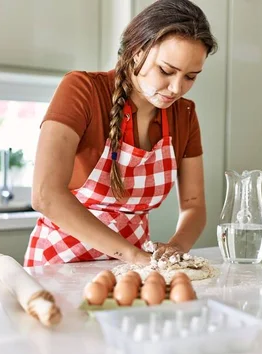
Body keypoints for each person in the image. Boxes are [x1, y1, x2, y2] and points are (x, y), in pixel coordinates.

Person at [24, 0, 217, 267]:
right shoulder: (82, 90)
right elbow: (46, 195)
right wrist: (131, 255)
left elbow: (194, 205)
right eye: (166, 71)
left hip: (133, 269)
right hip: (60, 266)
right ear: (137, 51)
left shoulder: (184, 114)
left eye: (191, 76)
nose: (176, 88)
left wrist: (175, 249)